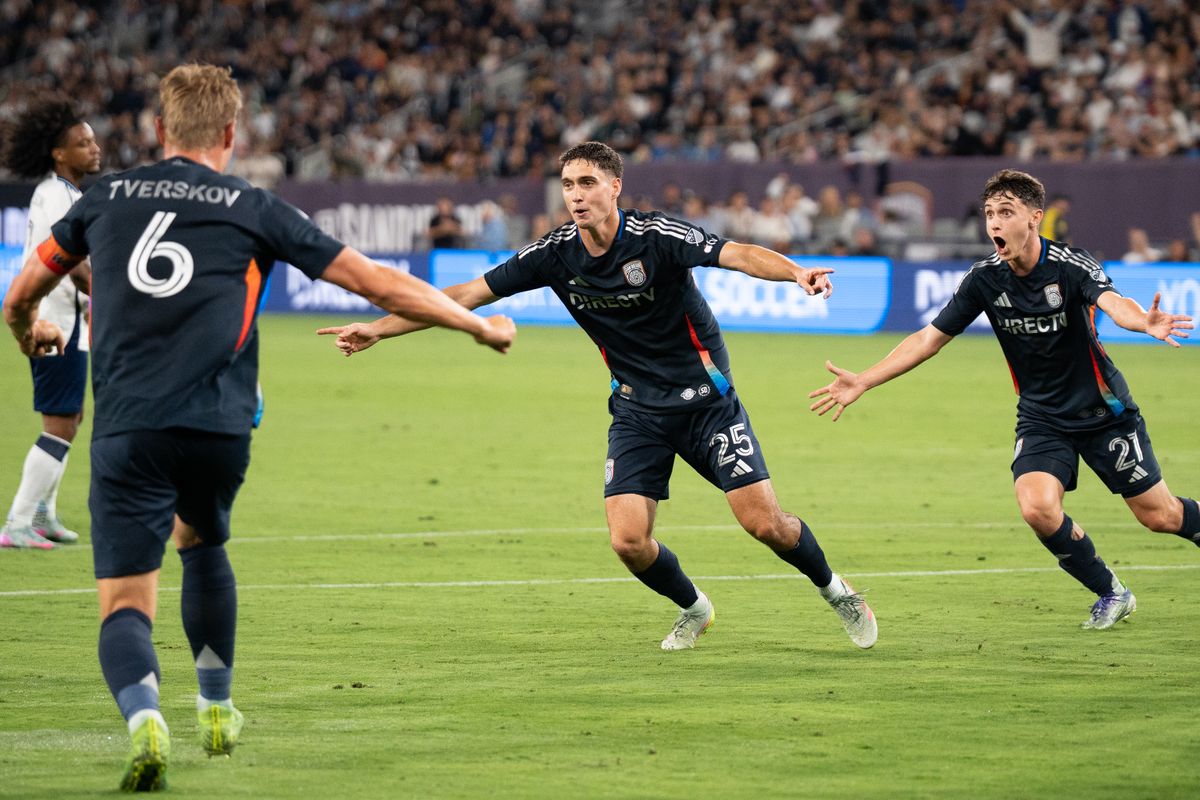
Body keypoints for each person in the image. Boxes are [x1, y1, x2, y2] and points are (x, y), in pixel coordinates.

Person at [2, 64, 516, 793]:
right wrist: (473, 324)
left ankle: (145, 717)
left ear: (159, 130)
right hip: (219, 428)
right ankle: (216, 708)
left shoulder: (105, 198)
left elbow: (25, 289)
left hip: (127, 427)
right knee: (203, 542)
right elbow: (371, 280)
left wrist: (29, 333)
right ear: (232, 135)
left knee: (123, 604)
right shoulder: (255, 206)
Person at [319, 141, 877, 654]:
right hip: (636, 409)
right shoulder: (555, 254)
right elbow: (466, 294)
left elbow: (736, 253)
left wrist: (796, 272)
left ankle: (836, 591)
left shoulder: (659, 237)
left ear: (614, 187)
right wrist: (381, 329)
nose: (575, 195)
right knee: (629, 541)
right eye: (567, 185)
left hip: (706, 402)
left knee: (766, 525)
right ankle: (694, 608)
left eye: (587, 183)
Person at [809, 168, 1198, 631]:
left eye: (1006, 212)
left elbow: (1114, 302)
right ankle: (1112, 592)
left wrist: (1144, 323)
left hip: (1103, 413)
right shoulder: (985, 279)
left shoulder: (1071, 266)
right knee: (1036, 506)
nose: (994, 223)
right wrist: (865, 381)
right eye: (990, 213)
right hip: (1042, 418)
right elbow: (928, 339)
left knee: (1160, 516)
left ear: (1034, 219)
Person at [0, 98, 101, 550]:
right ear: (59, 153)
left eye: (93, 140)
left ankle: (43, 513)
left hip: (69, 320)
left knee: (71, 417)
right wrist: (112, 295)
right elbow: (67, 262)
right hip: (52, 322)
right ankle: (18, 522)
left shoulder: (70, 193)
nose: (94, 148)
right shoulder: (53, 193)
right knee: (58, 422)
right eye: (82, 143)